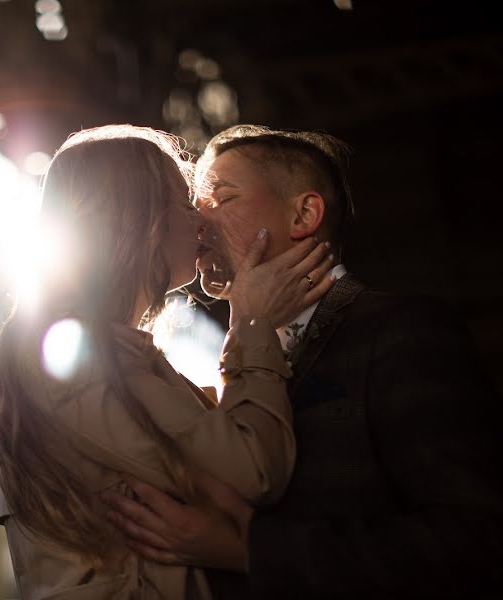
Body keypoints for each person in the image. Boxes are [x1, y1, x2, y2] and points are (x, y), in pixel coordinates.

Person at [101, 124, 503, 599]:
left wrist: (250, 550)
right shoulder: (230, 366)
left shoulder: (401, 331)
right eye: (194, 204)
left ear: (304, 214)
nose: (197, 221)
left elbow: (475, 538)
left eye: (221, 198)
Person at [0, 124, 335, 599]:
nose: (199, 218)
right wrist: (251, 325)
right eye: (183, 198)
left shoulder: (84, 344)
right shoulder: (66, 349)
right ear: (140, 216)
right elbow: (254, 471)